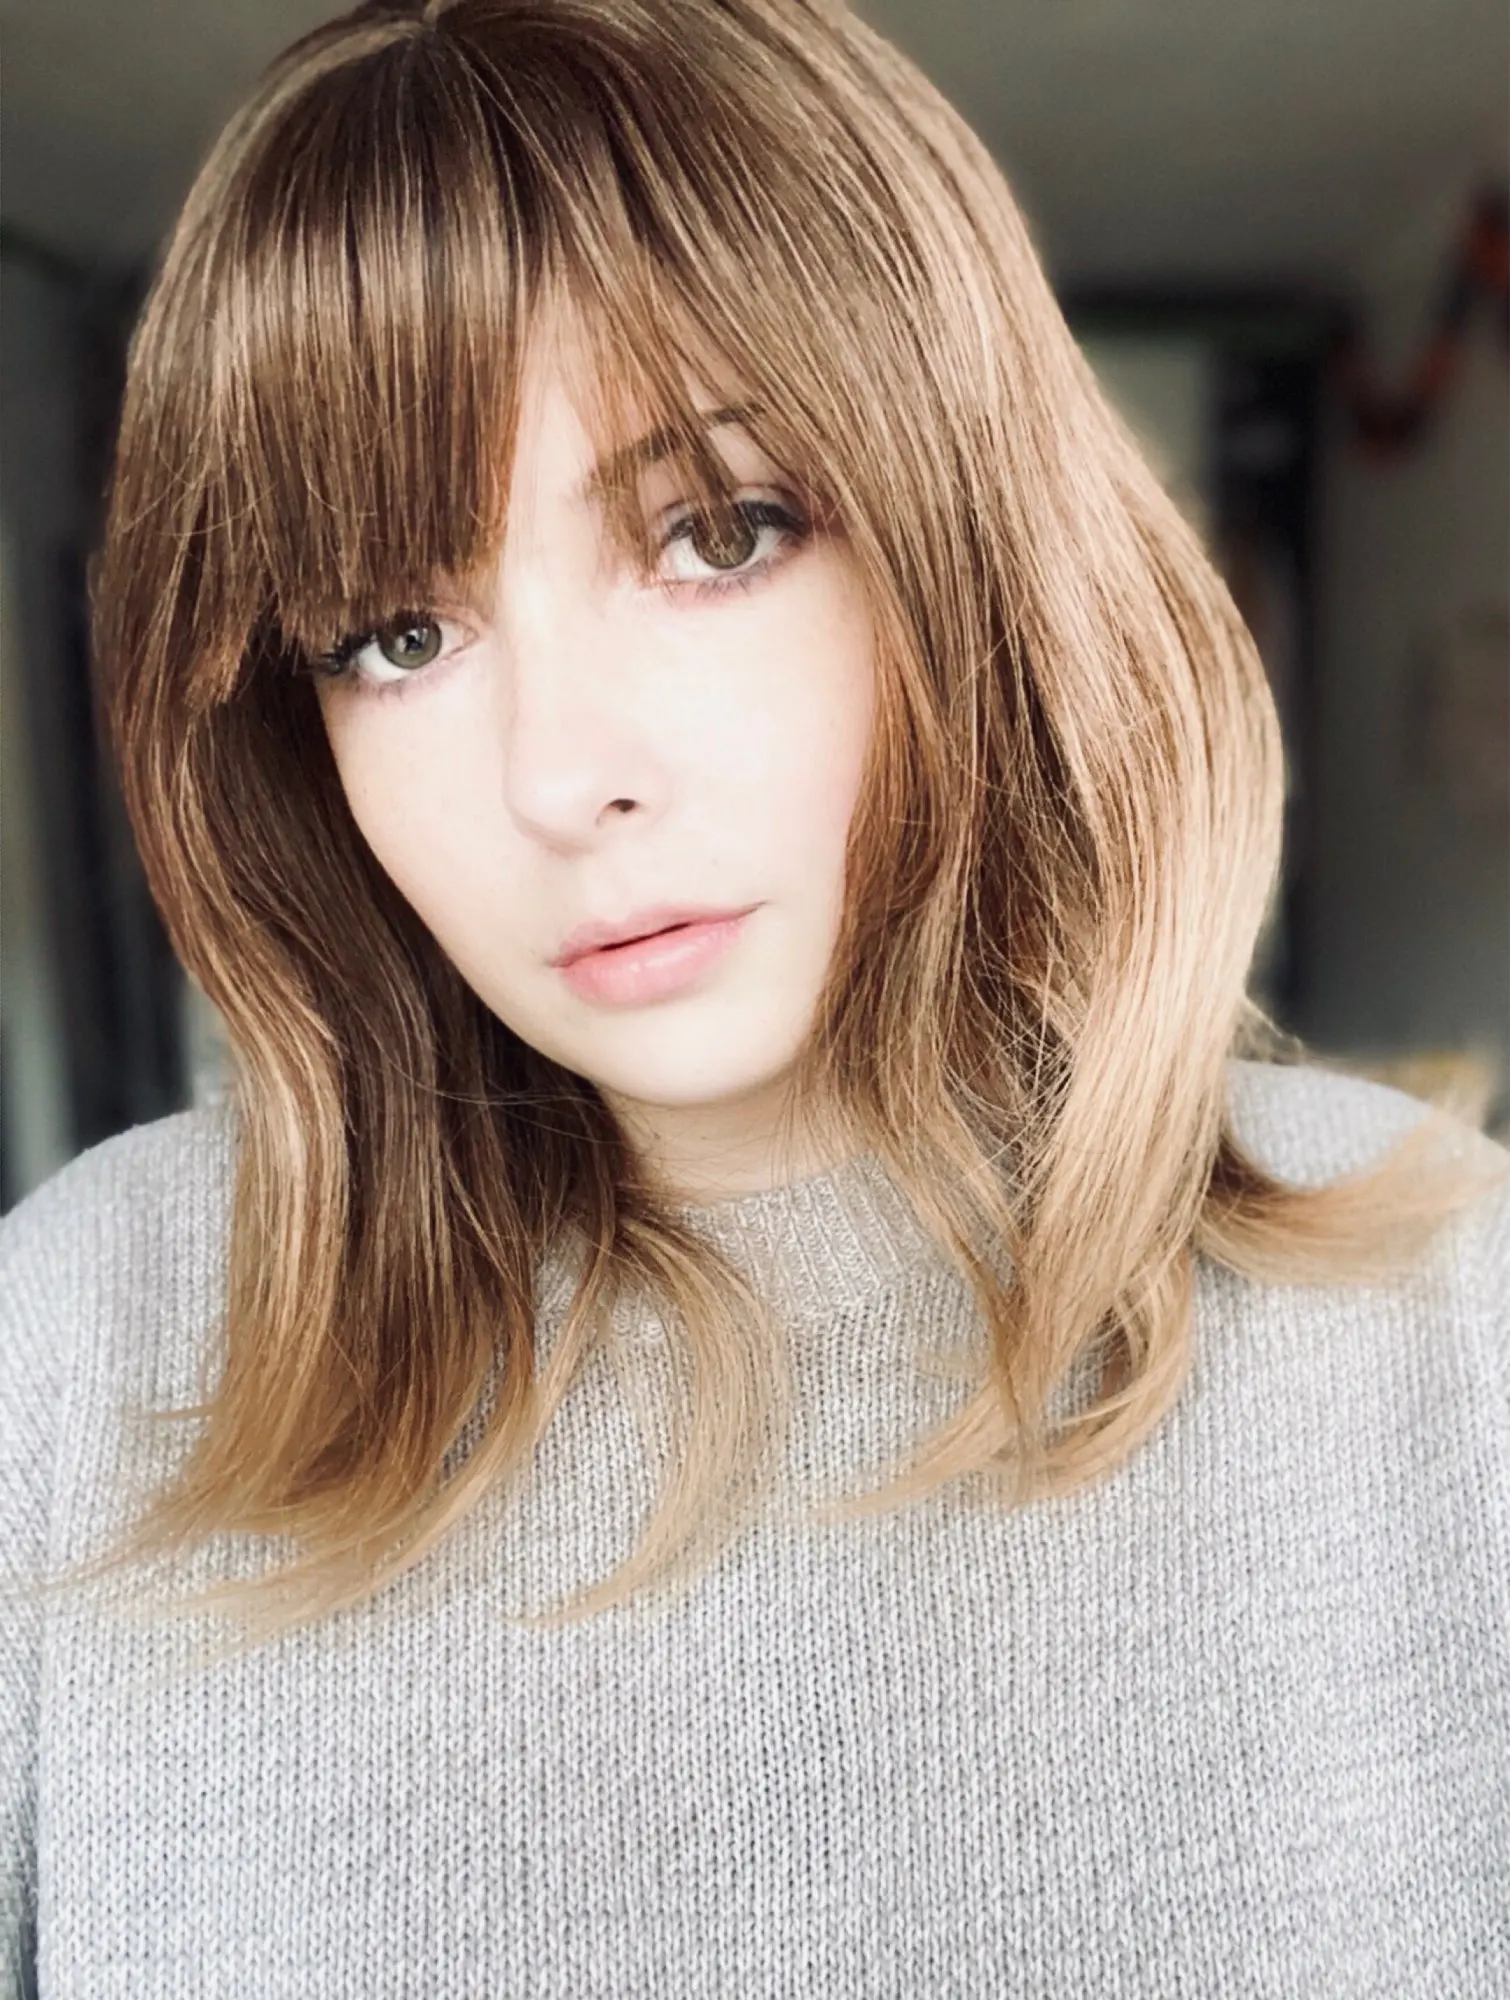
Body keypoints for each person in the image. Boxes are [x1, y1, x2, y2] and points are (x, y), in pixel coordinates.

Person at [2, 1, 1506, 1993]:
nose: (560, 777)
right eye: (394, 632)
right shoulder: (88, 1347)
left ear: (970, 531)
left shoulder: (1442, 1314)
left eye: (715, 534)